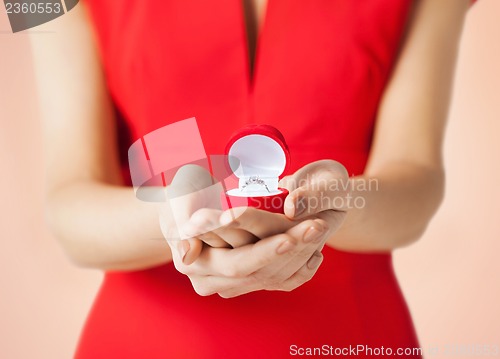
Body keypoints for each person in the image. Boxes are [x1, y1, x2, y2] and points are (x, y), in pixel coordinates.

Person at [29, 0, 472, 358]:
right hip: (144, 340)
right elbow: (67, 207)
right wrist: (173, 217)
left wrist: (341, 202)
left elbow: (418, 182)